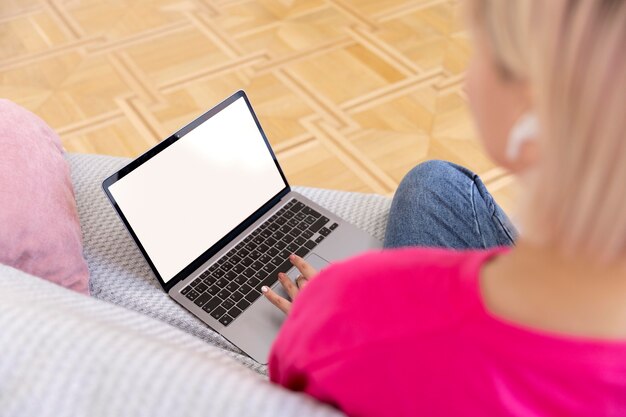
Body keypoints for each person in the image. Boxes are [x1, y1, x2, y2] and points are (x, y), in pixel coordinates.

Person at [260, 0, 626, 415]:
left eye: (481, 48)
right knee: (434, 184)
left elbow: (287, 372)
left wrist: (320, 318)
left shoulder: (352, 308)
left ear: (533, 112)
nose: (466, 81)